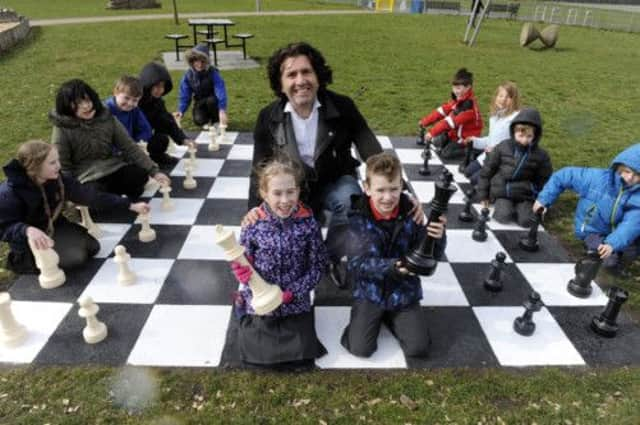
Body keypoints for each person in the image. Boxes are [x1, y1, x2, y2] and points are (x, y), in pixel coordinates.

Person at [246, 42, 422, 288]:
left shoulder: (343, 106)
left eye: (306, 71)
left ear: (318, 75)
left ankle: (330, 257)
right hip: (293, 187)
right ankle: (302, 255)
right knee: (283, 217)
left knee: (352, 201)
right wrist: (253, 209)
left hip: (335, 180)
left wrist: (402, 194)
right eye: (291, 74)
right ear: (281, 83)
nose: (300, 80)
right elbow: (260, 167)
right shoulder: (268, 117)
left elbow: (373, 154)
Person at [340, 153, 447, 359]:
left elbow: (430, 258)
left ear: (402, 187)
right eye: (380, 190)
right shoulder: (356, 218)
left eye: (394, 189)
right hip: (370, 291)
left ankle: (391, 316)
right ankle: (368, 316)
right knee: (360, 348)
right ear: (367, 188)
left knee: (418, 348)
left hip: (403, 291)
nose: (388, 197)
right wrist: (394, 266)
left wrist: (438, 238)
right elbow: (355, 265)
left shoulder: (412, 214)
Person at [229, 155, 328, 368]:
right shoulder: (253, 223)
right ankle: (243, 308)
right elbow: (241, 260)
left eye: (290, 192)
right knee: (256, 354)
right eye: (277, 193)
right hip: (262, 296)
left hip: (294, 297)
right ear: (264, 194)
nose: (285, 200)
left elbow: (318, 266)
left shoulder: (309, 223)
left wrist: (292, 292)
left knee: (302, 353)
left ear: (298, 190)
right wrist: (243, 274)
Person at [0, 141, 149, 274]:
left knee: (92, 247)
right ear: (35, 166)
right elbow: (4, 227)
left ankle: (57, 252)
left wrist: (129, 205)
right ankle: (31, 263)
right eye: (52, 163)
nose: (58, 165)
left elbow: (90, 196)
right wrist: (26, 230)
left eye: (57, 160)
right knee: (76, 258)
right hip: (28, 243)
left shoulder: (57, 179)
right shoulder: (9, 192)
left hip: (54, 227)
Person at [50, 79, 170, 200]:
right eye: (78, 103)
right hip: (85, 176)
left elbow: (129, 146)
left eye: (87, 100)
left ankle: (110, 198)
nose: (86, 106)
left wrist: (154, 171)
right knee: (93, 195)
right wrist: (72, 193)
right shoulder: (62, 128)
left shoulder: (106, 117)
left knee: (139, 176)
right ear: (67, 106)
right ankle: (107, 199)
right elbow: (62, 165)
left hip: (111, 167)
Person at [534, 143, 640, 274]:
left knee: (628, 252)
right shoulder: (595, 179)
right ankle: (605, 256)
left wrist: (612, 244)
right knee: (609, 262)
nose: (630, 178)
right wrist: (543, 200)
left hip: (617, 232)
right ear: (619, 166)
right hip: (592, 231)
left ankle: (617, 261)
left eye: (637, 175)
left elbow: (631, 225)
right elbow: (563, 175)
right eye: (628, 171)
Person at [476, 107, 553, 227]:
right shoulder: (503, 147)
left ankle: (521, 210)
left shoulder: (541, 155)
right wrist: (483, 194)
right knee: (503, 216)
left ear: (535, 135)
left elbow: (545, 180)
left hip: (524, 195)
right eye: (521, 136)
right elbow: (487, 171)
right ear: (513, 132)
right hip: (503, 192)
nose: (524, 140)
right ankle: (507, 207)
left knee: (527, 221)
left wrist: (543, 202)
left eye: (529, 136)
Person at [463, 81, 521, 185]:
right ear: (496, 97)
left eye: (508, 97)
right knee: (467, 172)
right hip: (487, 156)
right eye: (500, 96)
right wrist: (475, 141)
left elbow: (516, 145)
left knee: (474, 180)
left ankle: (496, 178)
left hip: (501, 161)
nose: (503, 99)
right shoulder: (495, 117)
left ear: (514, 100)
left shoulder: (515, 119)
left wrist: (497, 150)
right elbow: (491, 139)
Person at [418, 68, 483, 161]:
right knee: (437, 142)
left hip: (466, 138)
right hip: (456, 134)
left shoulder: (468, 107)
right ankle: (453, 144)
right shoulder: (459, 99)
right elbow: (442, 111)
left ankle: (473, 150)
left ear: (468, 87)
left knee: (446, 154)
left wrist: (431, 133)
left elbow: (449, 122)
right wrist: (425, 122)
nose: (455, 91)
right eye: (454, 87)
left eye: (458, 88)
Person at [139, 62, 196, 166]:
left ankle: (156, 156)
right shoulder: (134, 100)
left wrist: (183, 139)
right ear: (147, 84)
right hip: (130, 138)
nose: (160, 90)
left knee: (162, 136)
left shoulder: (157, 101)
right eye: (156, 86)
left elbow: (168, 122)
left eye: (162, 86)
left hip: (145, 136)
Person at [175, 44, 229, 129]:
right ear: (192, 61)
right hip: (199, 102)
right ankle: (206, 119)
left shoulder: (213, 73)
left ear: (207, 62)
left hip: (213, 100)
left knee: (211, 101)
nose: (199, 65)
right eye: (197, 61)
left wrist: (222, 109)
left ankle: (216, 120)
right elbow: (184, 95)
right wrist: (181, 111)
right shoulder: (188, 76)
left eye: (203, 62)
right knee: (199, 121)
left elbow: (220, 90)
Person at [104, 75, 153, 145]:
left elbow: (146, 130)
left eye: (135, 100)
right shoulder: (105, 111)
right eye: (126, 98)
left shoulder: (135, 110)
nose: (130, 103)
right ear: (115, 93)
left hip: (130, 147)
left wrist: (137, 142)